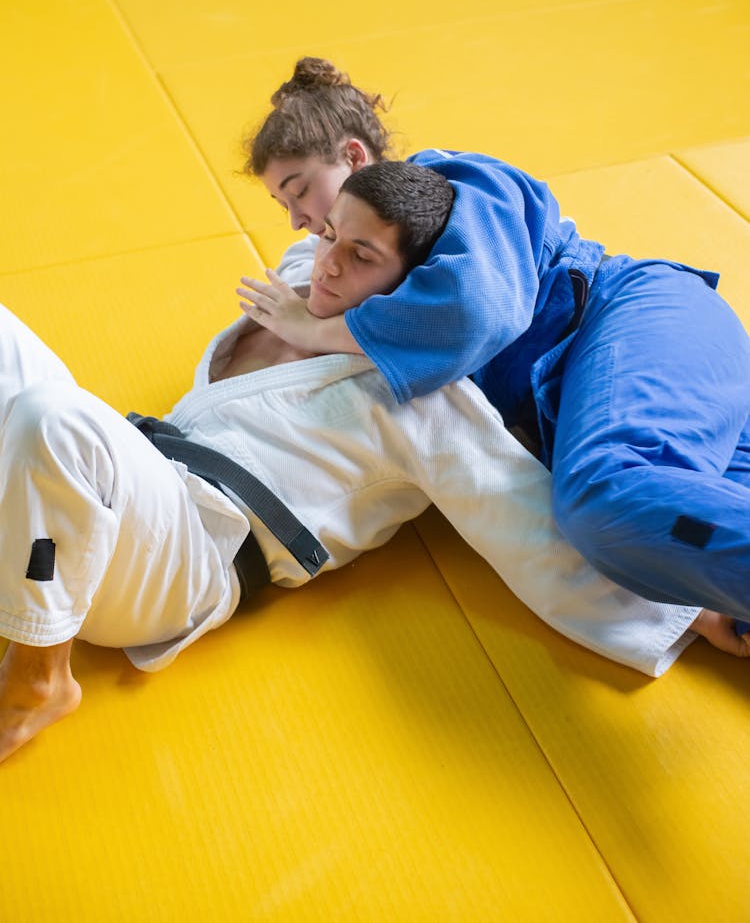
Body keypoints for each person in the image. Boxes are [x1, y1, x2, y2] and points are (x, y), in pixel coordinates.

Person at [1, 162, 743, 765]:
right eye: (327, 236)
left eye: (360, 258)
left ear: (409, 289)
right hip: (113, 499)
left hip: (187, 554)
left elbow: (512, 510)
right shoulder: (293, 291)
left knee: (54, 417)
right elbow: (345, 183)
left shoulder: (420, 395)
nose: (328, 264)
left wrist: (687, 601)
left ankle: (39, 677)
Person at [241, 57, 750, 626]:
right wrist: (694, 612)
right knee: (645, 529)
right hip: (628, 402)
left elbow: (479, 308)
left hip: (635, 318)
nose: (296, 221)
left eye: (299, 191)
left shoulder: (457, 181)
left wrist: (313, 328)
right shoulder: (356, 275)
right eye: (281, 206)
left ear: (354, 157)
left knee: (605, 496)